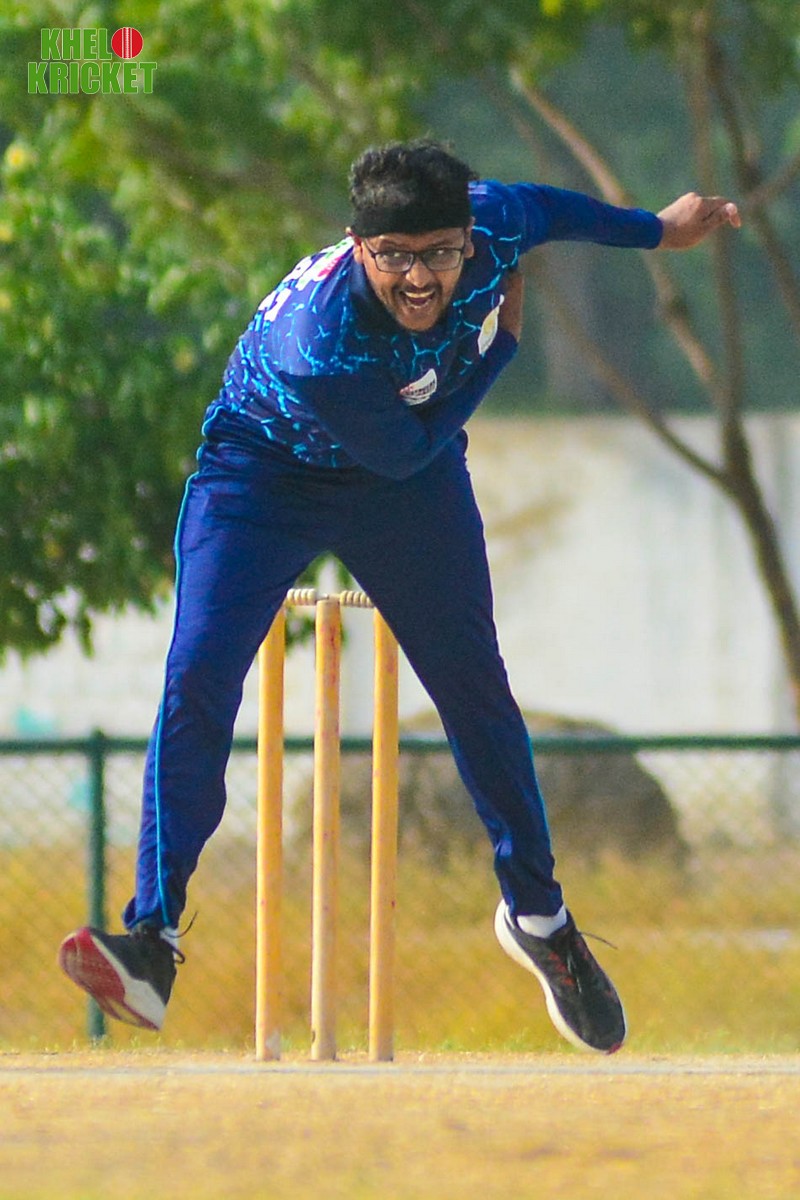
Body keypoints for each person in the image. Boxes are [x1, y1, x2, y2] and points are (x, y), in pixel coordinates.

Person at [59, 139, 740, 1053]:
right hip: (265, 473)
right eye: (394, 258)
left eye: (440, 254)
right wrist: (500, 350)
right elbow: (406, 450)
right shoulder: (319, 341)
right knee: (198, 681)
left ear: (470, 237)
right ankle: (151, 941)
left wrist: (656, 230)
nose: (420, 280)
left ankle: (540, 919)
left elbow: (553, 208)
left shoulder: (494, 222)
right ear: (358, 246)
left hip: (404, 483)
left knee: (475, 689)